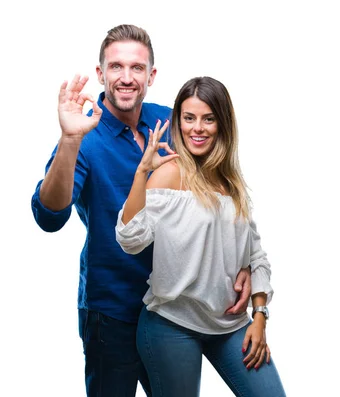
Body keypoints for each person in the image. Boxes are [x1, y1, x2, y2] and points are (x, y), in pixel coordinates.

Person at [30, 24, 251, 396]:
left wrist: (242, 263)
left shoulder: (171, 121)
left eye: (137, 68)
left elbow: (220, 191)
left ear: (151, 75)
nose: (126, 78)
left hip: (174, 311)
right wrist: (70, 139)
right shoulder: (85, 136)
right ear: (101, 74)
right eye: (116, 67)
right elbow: (49, 215)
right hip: (113, 311)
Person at [115, 76, 286, 397]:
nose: (198, 128)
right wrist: (142, 173)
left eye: (208, 119)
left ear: (222, 124)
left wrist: (260, 315)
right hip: (171, 324)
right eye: (189, 118)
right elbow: (130, 239)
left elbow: (257, 257)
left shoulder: (232, 183)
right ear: (178, 121)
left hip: (229, 325)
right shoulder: (171, 173)